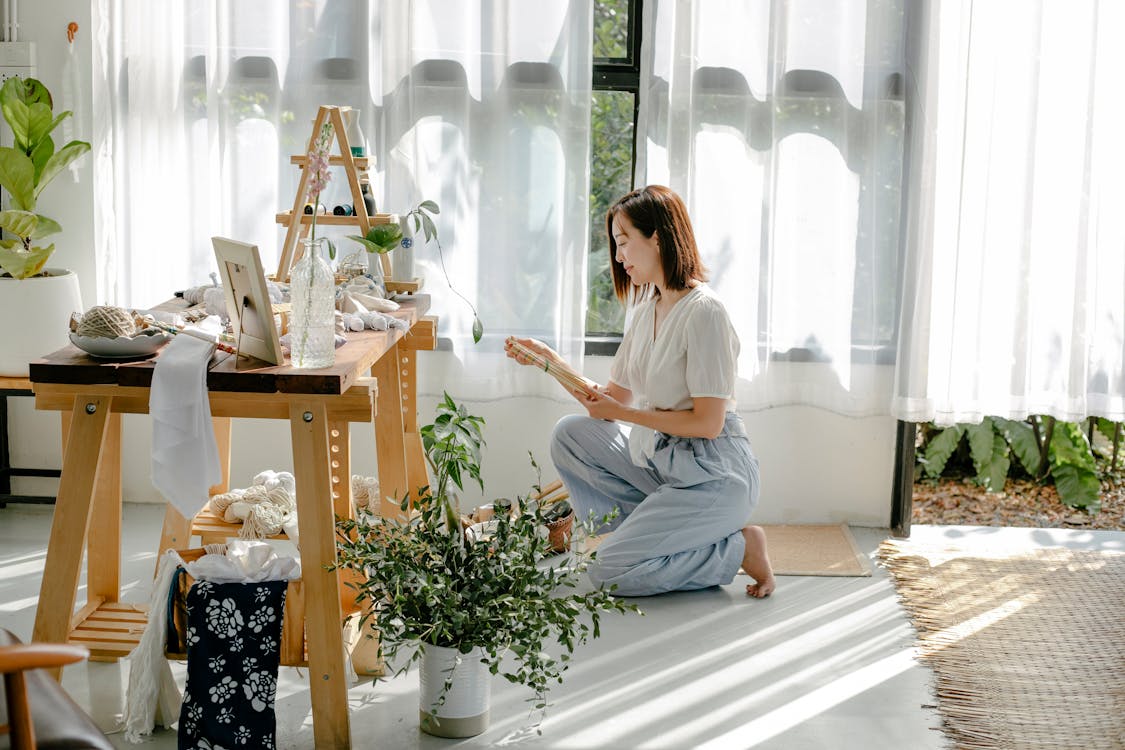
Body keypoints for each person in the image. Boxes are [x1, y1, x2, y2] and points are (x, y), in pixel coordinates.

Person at [505, 185, 774, 598]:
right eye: (616, 245)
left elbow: (707, 423)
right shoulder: (646, 310)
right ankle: (660, 525)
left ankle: (736, 550)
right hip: (662, 463)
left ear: (659, 238)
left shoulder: (705, 313)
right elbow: (609, 405)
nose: (618, 257)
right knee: (570, 433)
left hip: (715, 475)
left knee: (610, 572)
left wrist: (627, 415)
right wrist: (550, 362)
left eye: (624, 242)